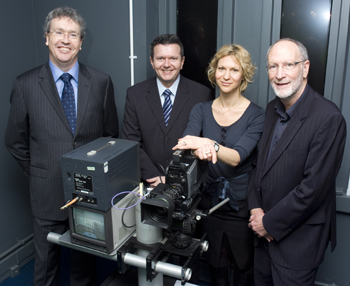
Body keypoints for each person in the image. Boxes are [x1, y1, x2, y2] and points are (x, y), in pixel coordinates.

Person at [4, 7, 119, 286]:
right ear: (47, 38)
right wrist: (40, 171)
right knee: (46, 268)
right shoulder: (26, 84)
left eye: (73, 34)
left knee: (84, 267)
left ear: (81, 42)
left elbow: (110, 137)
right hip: (46, 192)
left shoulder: (101, 82)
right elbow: (15, 141)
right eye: (58, 32)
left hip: (88, 193)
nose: (65, 40)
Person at [247, 38, 346, 286]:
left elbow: (313, 189)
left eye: (289, 65)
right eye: (273, 66)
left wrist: (267, 223)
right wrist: (255, 208)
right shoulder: (271, 109)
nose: (280, 74)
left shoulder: (328, 118)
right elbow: (258, 167)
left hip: (297, 244)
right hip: (262, 238)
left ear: (305, 68)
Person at [173, 44, 265, 286]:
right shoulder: (200, 109)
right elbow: (186, 141)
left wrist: (207, 143)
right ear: (214, 72)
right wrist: (197, 145)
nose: (226, 75)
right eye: (221, 68)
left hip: (241, 207)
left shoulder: (257, 115)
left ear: (244, 74)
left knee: (244, 268)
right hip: (208, 203)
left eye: (234, 70)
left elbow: (237, 156)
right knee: (216, 267)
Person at [122, 34, 212, 187]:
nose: (167, 64)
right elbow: (130, 142)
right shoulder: (135, 94)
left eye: (173, 58)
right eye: (160, 58)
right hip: (148, 183)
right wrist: (153, 177)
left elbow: (203, 142)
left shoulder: (201, 94)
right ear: (152, 61)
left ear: (182, 62)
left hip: (188, 185)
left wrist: (175, 177)